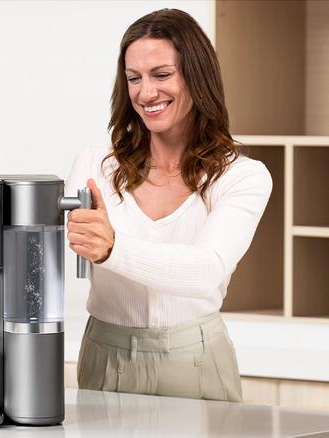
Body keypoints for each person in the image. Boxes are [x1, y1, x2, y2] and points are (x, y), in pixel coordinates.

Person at [65, 9, 272, 402]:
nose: (145, 93)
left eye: (162, 75)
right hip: (104, 354)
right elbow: (56, 252)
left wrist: (113, 248)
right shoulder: (95, 165)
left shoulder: (242, 176)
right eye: (133, 78)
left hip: (194, 358)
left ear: (197, 76)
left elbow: (205, 271)